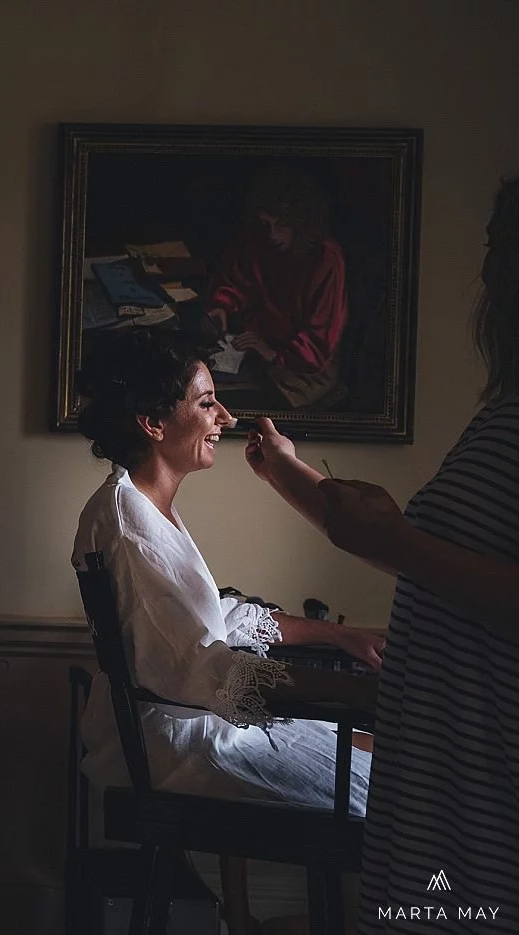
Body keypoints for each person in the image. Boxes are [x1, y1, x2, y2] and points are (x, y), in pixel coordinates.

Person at [247, 178, 519, 932]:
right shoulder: (502, 412)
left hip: (490, 795)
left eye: (503, 247)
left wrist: (397, 540)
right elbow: (436, 560)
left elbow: (418, 552)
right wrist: (286, 472)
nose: (488, 269)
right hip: (446, 783)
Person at [71, 327, 383, 818]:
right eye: (207, 403)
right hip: (179, 747)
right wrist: (359, 690)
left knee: (380, 754)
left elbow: (215, 617)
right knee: (404, 791)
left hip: (193, 727)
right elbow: (202, 670)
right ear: (153, 423)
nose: (227, 418)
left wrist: (339, 636)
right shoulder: (129, 523)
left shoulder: (142, 507)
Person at [204, 165, 348, 408]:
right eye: (265, 224)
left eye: (281, 225)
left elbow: (320, 340)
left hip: (304, 365)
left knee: (221, 402)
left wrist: (270, 352)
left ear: (301, 223)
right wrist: (222, 305)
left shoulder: (325, 258)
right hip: (253, 345)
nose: (271, 234)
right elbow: (234, 280)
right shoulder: (256, 239)